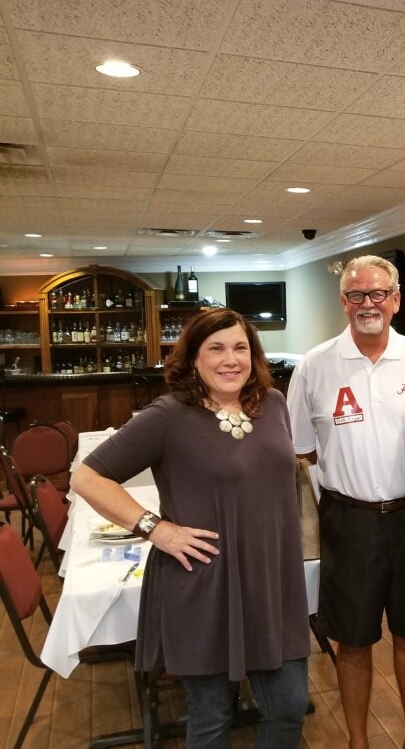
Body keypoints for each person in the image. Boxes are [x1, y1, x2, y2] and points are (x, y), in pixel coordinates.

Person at [69, 308, 309, 748]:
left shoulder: (273, 403)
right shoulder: (169, 414)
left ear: (253, 355)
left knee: (289, 707)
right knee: (212, 717)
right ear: (193, 358)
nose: (229, 359)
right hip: (204, 583)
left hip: (273, 582)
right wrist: (157, 529)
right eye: (215, 348)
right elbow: (87, 477)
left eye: (240, 347)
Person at [287, 255, 405, 749]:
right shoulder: (314, 366)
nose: (366, 304)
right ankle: (358, 741)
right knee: (352, 640)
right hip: (347, 522)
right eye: (356, 295)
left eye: (377, 294)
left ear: (395, 299)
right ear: (342, 301)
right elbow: (301, 449)